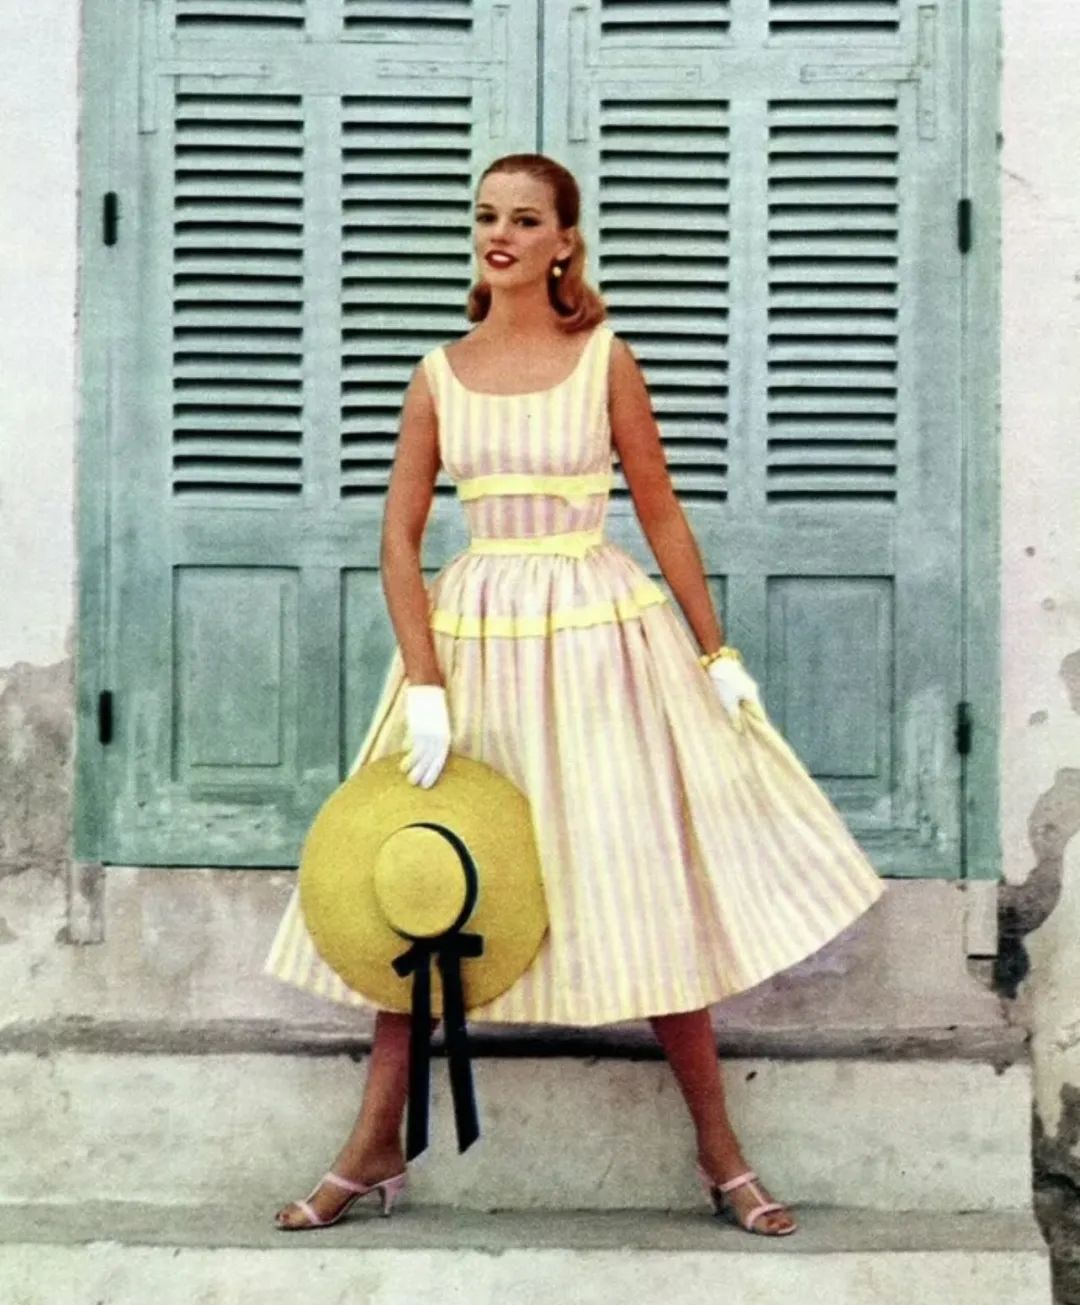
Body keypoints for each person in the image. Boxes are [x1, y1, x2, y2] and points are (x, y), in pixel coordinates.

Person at [265, 152, 887, 1237]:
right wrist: (423, 685)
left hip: (600, 646)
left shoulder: (605, 358)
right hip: (474, 649)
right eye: (486, 217)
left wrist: (717, 654)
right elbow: (399, 540)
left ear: (565, 243)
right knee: (421, 884)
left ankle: (721, 1153)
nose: (499, 236)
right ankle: (372, 1144)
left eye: (525, 220)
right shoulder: (438, 373)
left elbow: (662, 512)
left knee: (640, 882)